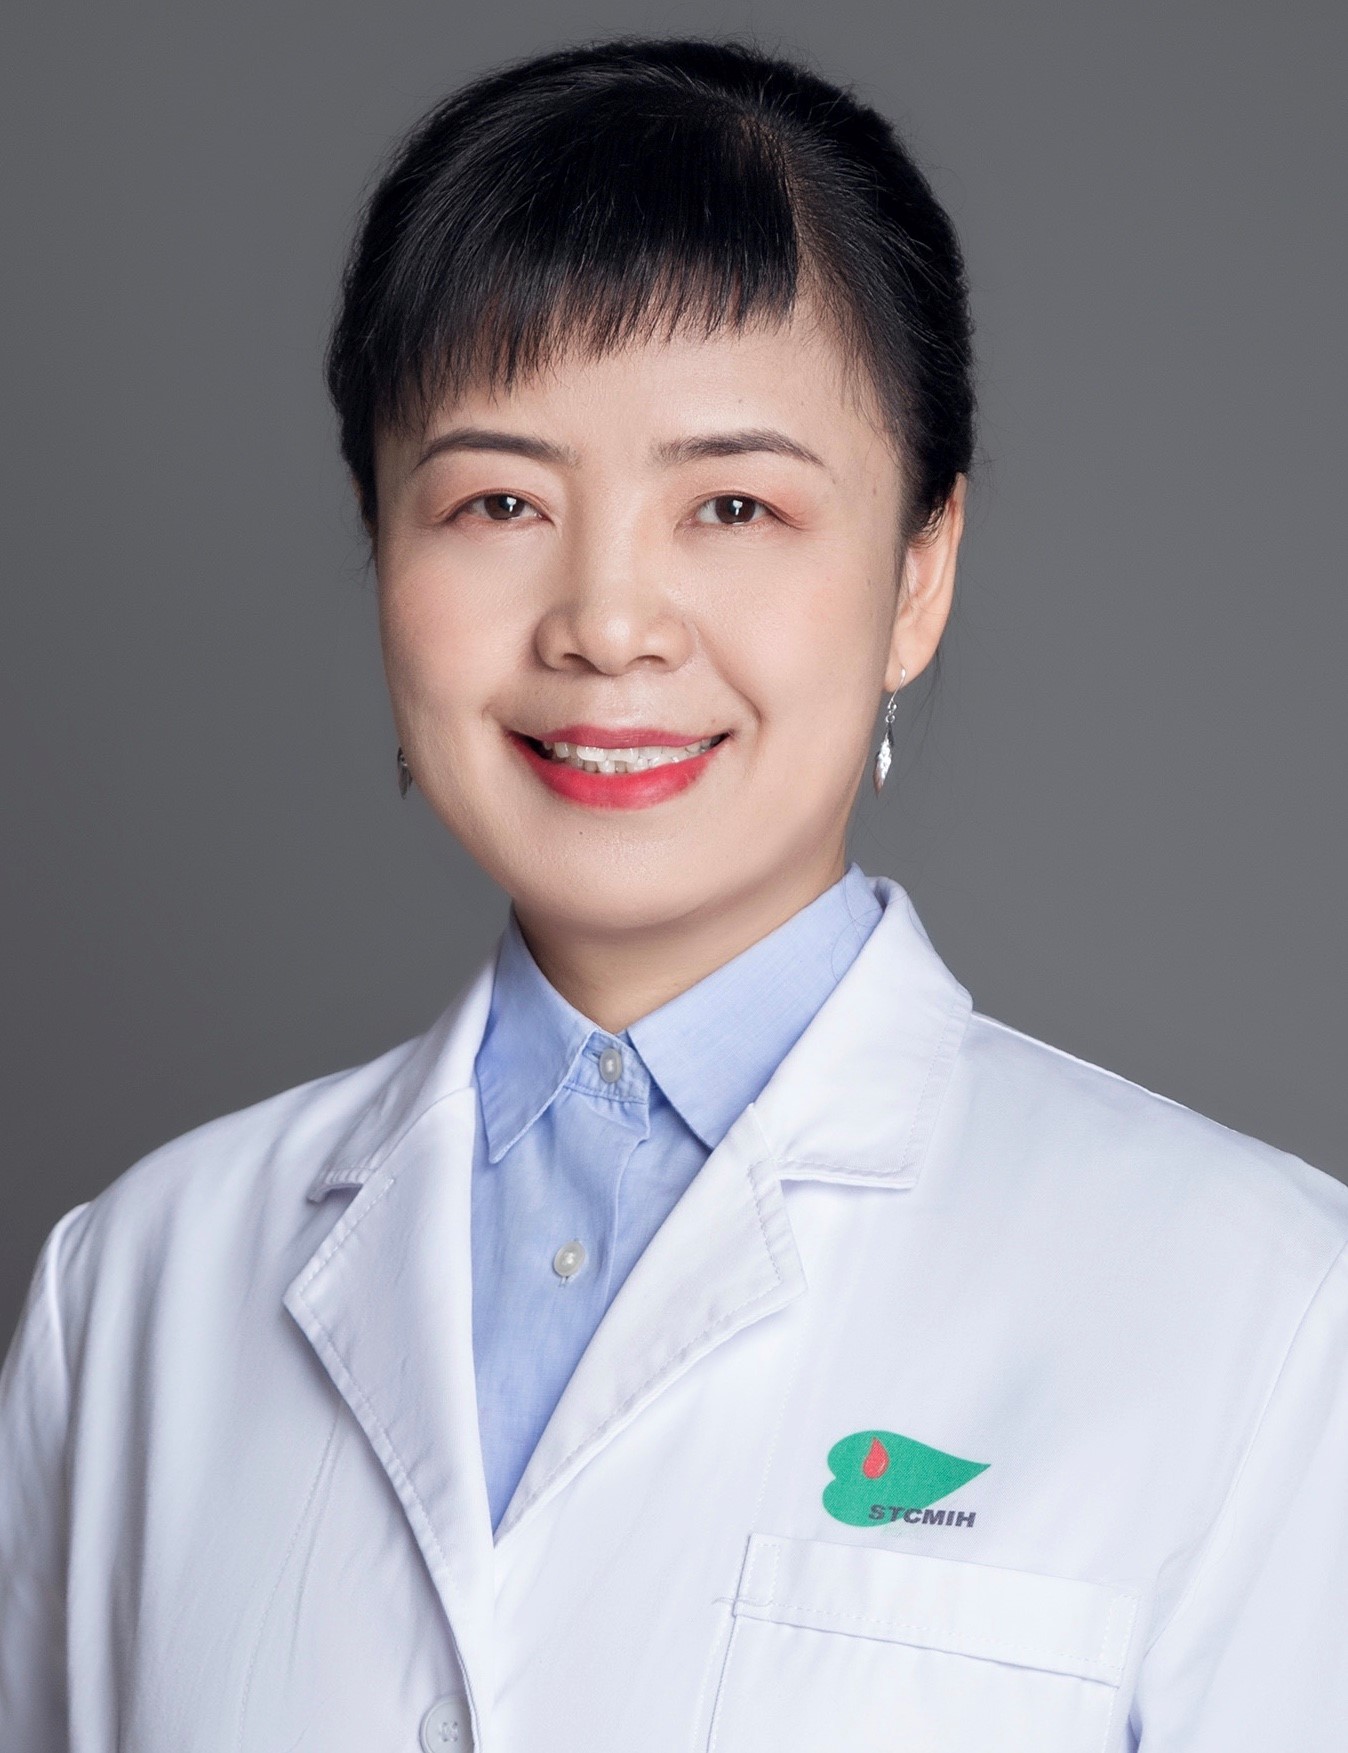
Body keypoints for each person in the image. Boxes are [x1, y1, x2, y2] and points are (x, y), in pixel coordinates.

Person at [2, 35, 1345, 1753]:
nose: (608, 622)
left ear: (918, 570)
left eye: (732, 503)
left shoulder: (1264, 1310)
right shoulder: (137, 1289)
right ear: (379, 536)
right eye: (499, 499)